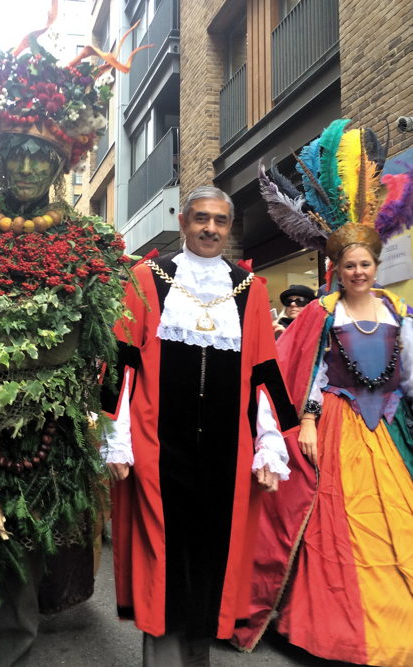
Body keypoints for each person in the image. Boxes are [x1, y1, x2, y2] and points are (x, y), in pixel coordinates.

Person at [0, 11, 135, 666]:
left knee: (16, 572)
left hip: (38, 437)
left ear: (62, 157)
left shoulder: (89, 243)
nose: (32, 161)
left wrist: (88, 411)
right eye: (19, 151)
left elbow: (97, 340)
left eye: (44, 151)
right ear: (0, 154)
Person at [232, 120, 413, 667]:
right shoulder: (321, 312)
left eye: (365, 264)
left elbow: (406, 374)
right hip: (336, 422)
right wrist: (307, 421)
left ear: (375, 267)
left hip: (391, 425)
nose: (357, 271)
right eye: (349, 265)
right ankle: (331, 626)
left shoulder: (399, 312)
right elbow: (309, 372)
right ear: (338, 269)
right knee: (335, 522)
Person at [101, 185, 299, 666]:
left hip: (227, 453)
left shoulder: (251, 289)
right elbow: (121, 362)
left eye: (221, 221)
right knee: (160, 557)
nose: (210, 229)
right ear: (183, 220)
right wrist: (116, 440)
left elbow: (262, 372)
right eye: (201, 219)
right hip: (156, 444)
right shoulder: (146, 278)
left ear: (229, 228)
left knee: (214, 558)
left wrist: (269, 446)